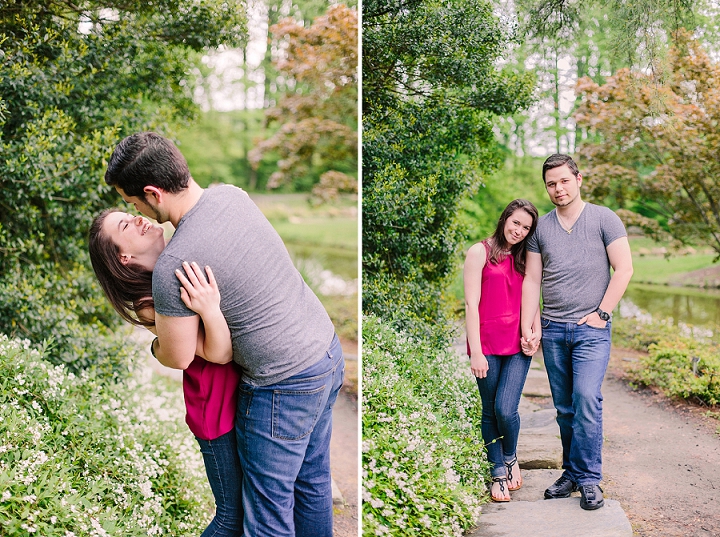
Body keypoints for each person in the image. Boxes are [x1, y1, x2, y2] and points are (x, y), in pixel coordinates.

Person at [103, 131, 344, 537]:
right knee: (312, 485)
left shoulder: (176, 263)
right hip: (325, 351)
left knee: (266, 517)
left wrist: (157, 345)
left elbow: (178, 356)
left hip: (282, 383)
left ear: (152, 192)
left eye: (133, 203)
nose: (139, 212)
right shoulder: (232, 195)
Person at [89, 208, 244, 536]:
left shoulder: (177, 259)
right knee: (232, 516)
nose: (138, 218)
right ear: (124, 256)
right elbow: (219, 353)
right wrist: (210, 310)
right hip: (216, 414)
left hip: (237, 398)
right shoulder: (148, 300)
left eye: (131, 213)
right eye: (125, 225)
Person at [520, 154, 633, 511]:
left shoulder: (604, 218)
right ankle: (570, 473)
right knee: (565, 408)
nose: (558, 189)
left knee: (586, 399)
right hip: (553, 329)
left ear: (578, 179)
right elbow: (533, 279)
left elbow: (624, 268)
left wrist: (602, 313)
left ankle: (588, 479)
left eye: (564, 181)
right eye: (551, 184)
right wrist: (530, 323)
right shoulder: (541, 228)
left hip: (591, 330)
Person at [464, 199, 541, 503]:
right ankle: (497, 471)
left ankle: (510, 457)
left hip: (517, 345)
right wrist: (476, 352)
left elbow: (534, 295)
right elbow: (471, 304)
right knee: (489, 409)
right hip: (487, 345)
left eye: (526, 227)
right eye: (516, 223)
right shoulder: (479, 252)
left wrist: (534, 333)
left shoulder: (528, 258)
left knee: (506, 409)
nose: (519, 230)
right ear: (504, 219)